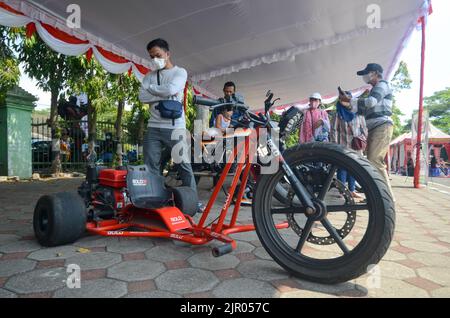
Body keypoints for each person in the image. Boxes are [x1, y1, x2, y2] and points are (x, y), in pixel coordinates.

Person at [138, 38, 201, 211]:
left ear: (167, 54)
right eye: (151, 57)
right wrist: (164, 93)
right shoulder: (149, 76)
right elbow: (142, 97)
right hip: (153, 127)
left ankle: (193, 201)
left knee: (183, 165)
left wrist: (152, 89)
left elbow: (172, 89)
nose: (155, 59)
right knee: (151, 165)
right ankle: (154, 199)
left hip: (175, 128)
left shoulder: (180, 72)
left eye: (158, 55)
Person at [339, 63, 395, 201]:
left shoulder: (382, 85)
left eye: (367, 73)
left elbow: (370, 102)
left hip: (382, 126)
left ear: (375, 73)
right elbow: (363, 110)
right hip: (375, 127)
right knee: (371, 162)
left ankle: (386, 198)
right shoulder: (374, 89)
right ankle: (376, 196)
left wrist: (350, 100)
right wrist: (348, 104)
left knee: (375, 160)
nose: (365, 76)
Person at [331, 92, 368, 199]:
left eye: (346, 99)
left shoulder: (358, 113)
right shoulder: (338, 114)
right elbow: (333, 130)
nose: (344, 102)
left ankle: (352, 190)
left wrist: (362, 139)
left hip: (356, 145)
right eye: (342, 100)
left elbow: (364, 128)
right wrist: (335, 145)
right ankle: (341, 192)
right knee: (342, 168)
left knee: (354, 168)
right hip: (343, 145)